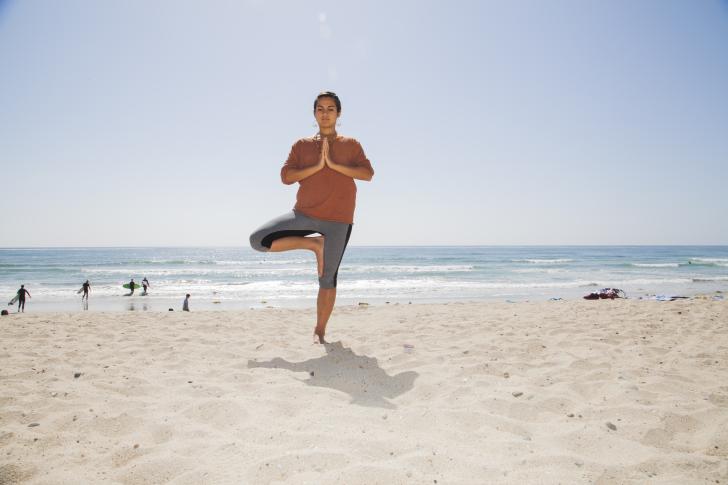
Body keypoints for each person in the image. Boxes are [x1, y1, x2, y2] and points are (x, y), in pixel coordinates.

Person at [249, 91, 374, 344]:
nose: (325, 113)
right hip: (304, 214)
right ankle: (314, 243)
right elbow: (286, 177)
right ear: (314, 113)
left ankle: (319, 331)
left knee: (327, 279)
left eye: (330, 108)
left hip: (339, 220)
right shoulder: (301, 145)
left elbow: (367, 174)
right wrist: (317, 165)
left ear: (338, 114)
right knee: (258, 240)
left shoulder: (351, 144)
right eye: (320, 108)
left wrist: (333, 164)